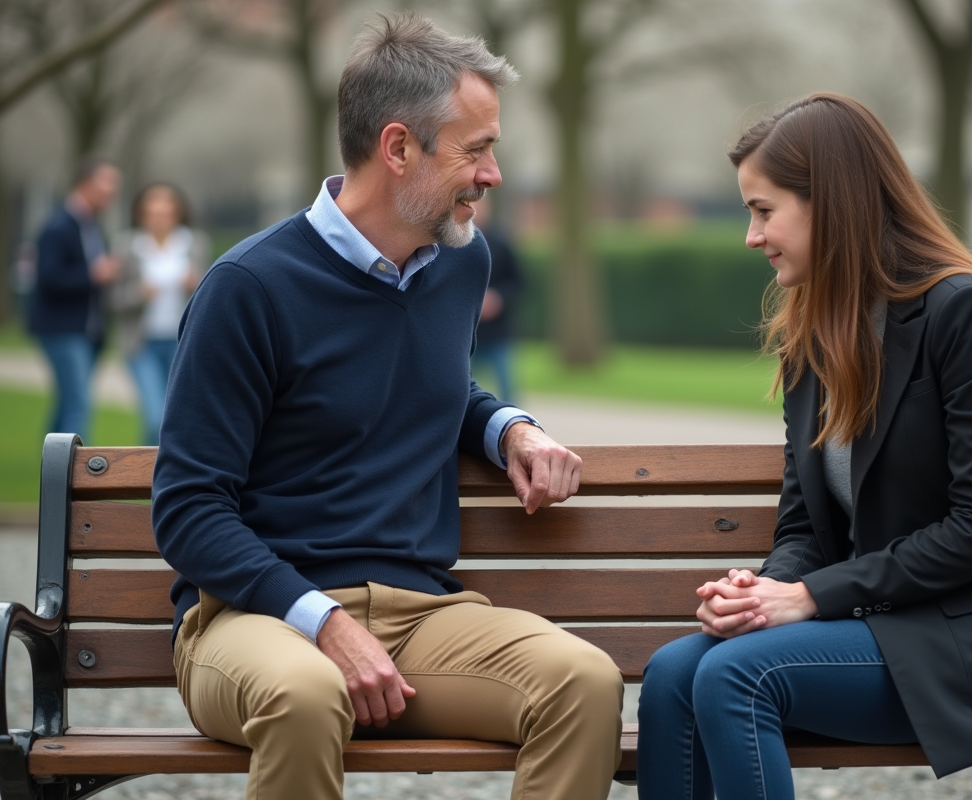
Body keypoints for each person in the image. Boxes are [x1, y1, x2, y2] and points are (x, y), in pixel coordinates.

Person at [151, 14, 623, 800]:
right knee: (306, 694)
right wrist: (321, 623)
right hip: (252, 618)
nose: (494, 174)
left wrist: (509, 427)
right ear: (399, 147)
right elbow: (189, 508)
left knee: (583, 682)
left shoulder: (458, 265)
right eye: (477, 149)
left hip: (421, 613)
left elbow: (431, 384)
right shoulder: (249, 289)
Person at [636, 93, 972, 799]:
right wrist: (765, 592)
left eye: (763, 210)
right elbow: (806, 527)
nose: (752, 236)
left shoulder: (966, 315)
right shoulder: (813, 341)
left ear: (832, 204)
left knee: (735, 674)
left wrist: (810, 597)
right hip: (881, 623)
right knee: (670, 675)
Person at [27, 158, 122, 443]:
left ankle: (51, 465)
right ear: (85, 184)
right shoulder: (58, 226)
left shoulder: (93, 226)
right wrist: (94, 275)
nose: (112, 192)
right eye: (106, 184)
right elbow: (48, 278)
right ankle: (76, 478)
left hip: (87, 330)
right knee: (78, 403)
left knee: (68, 401)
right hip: (62, 328)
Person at [110, 183, 210, 445]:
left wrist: (195, 286)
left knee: (180, 415)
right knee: (155, 417)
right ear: (141, 214)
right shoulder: (127, 246)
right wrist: (138, 294)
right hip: (142, 344)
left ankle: (171, 477)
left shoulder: (194, 244)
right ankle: (147, 477)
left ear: (177, 213)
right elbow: (112, 299)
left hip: (182, 342)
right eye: (153, 212)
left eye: (166, 211)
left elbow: (210, 295)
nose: (160, 217)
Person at [471, 195, 525, 402]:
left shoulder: (502, 241)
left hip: (498, 332)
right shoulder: (453, 242)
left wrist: (499, 298)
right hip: (467, 333)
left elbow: (519, 282)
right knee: (461, 387)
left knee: (507, 387)